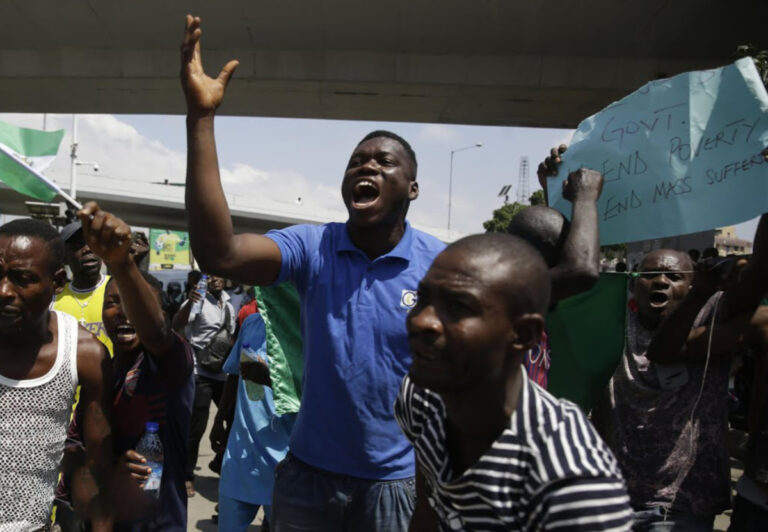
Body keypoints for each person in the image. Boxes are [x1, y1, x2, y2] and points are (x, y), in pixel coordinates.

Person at [180, 14, 445, 529]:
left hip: (398, 484)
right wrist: (200, 119)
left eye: (384, 162)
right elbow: (219, 255)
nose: (366, 167)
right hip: (305, 478)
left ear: (412, 189)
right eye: (356, 161)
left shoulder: (440, 265)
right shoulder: (313, 246)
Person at [395, 233, 632, 530]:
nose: (421, 321)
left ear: (523, 334)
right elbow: (428, 507)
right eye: (423, 299)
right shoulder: (421, 397)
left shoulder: (573, 482)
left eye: (458, 308)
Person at [591, 212, 768, 529]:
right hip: (610, 500)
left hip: (682, 507)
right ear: (633, 284)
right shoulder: (610, 324)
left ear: (693, 287)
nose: (661, 281)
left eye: (674, 277)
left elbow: (758, 274)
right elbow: (574, 277)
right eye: (651, 274)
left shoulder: (711, 317)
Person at [77, 203, 195, 531]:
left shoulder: (172, 364)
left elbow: (156, 333)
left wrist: (120, 263)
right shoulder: (101, 372)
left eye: (132, 305)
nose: (123, 313)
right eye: (113, 303)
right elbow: (79, 454)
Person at [0, 218, 112, 530]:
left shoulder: (83, 354)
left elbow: (97, 466)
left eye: (22, 279)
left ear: (57, 282)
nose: (4, 291)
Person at [507, 149, 604, 387]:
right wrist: (585, 197)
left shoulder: (527, 295)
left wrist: (552, 189)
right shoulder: (510, 295)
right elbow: (581, 269)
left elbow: (549, 237)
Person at [212, 312, 296, 531]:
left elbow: (315, 392)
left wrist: (270, 379)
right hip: (241, 455)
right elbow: (235, 374)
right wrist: (219, 418)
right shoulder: (251, 322)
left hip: (284, 458)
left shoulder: (303, 323)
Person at [172, 272, 235, 497]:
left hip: (223, 373)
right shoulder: (198, 300)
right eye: (211, 276)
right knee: (197, 427)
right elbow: (176, 324)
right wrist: (190, 302)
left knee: (235, 418)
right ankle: (187, 475)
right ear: (204, 280)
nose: (217, 279)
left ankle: (220, 462)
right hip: (200, 372)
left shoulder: (228, 303)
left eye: (220, 276)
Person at [54, 221, 113, 354]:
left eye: (92, 243)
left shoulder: (117, 288)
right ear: (64, 258)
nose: (87, 249)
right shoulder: (53, 299)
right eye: (77, 245)